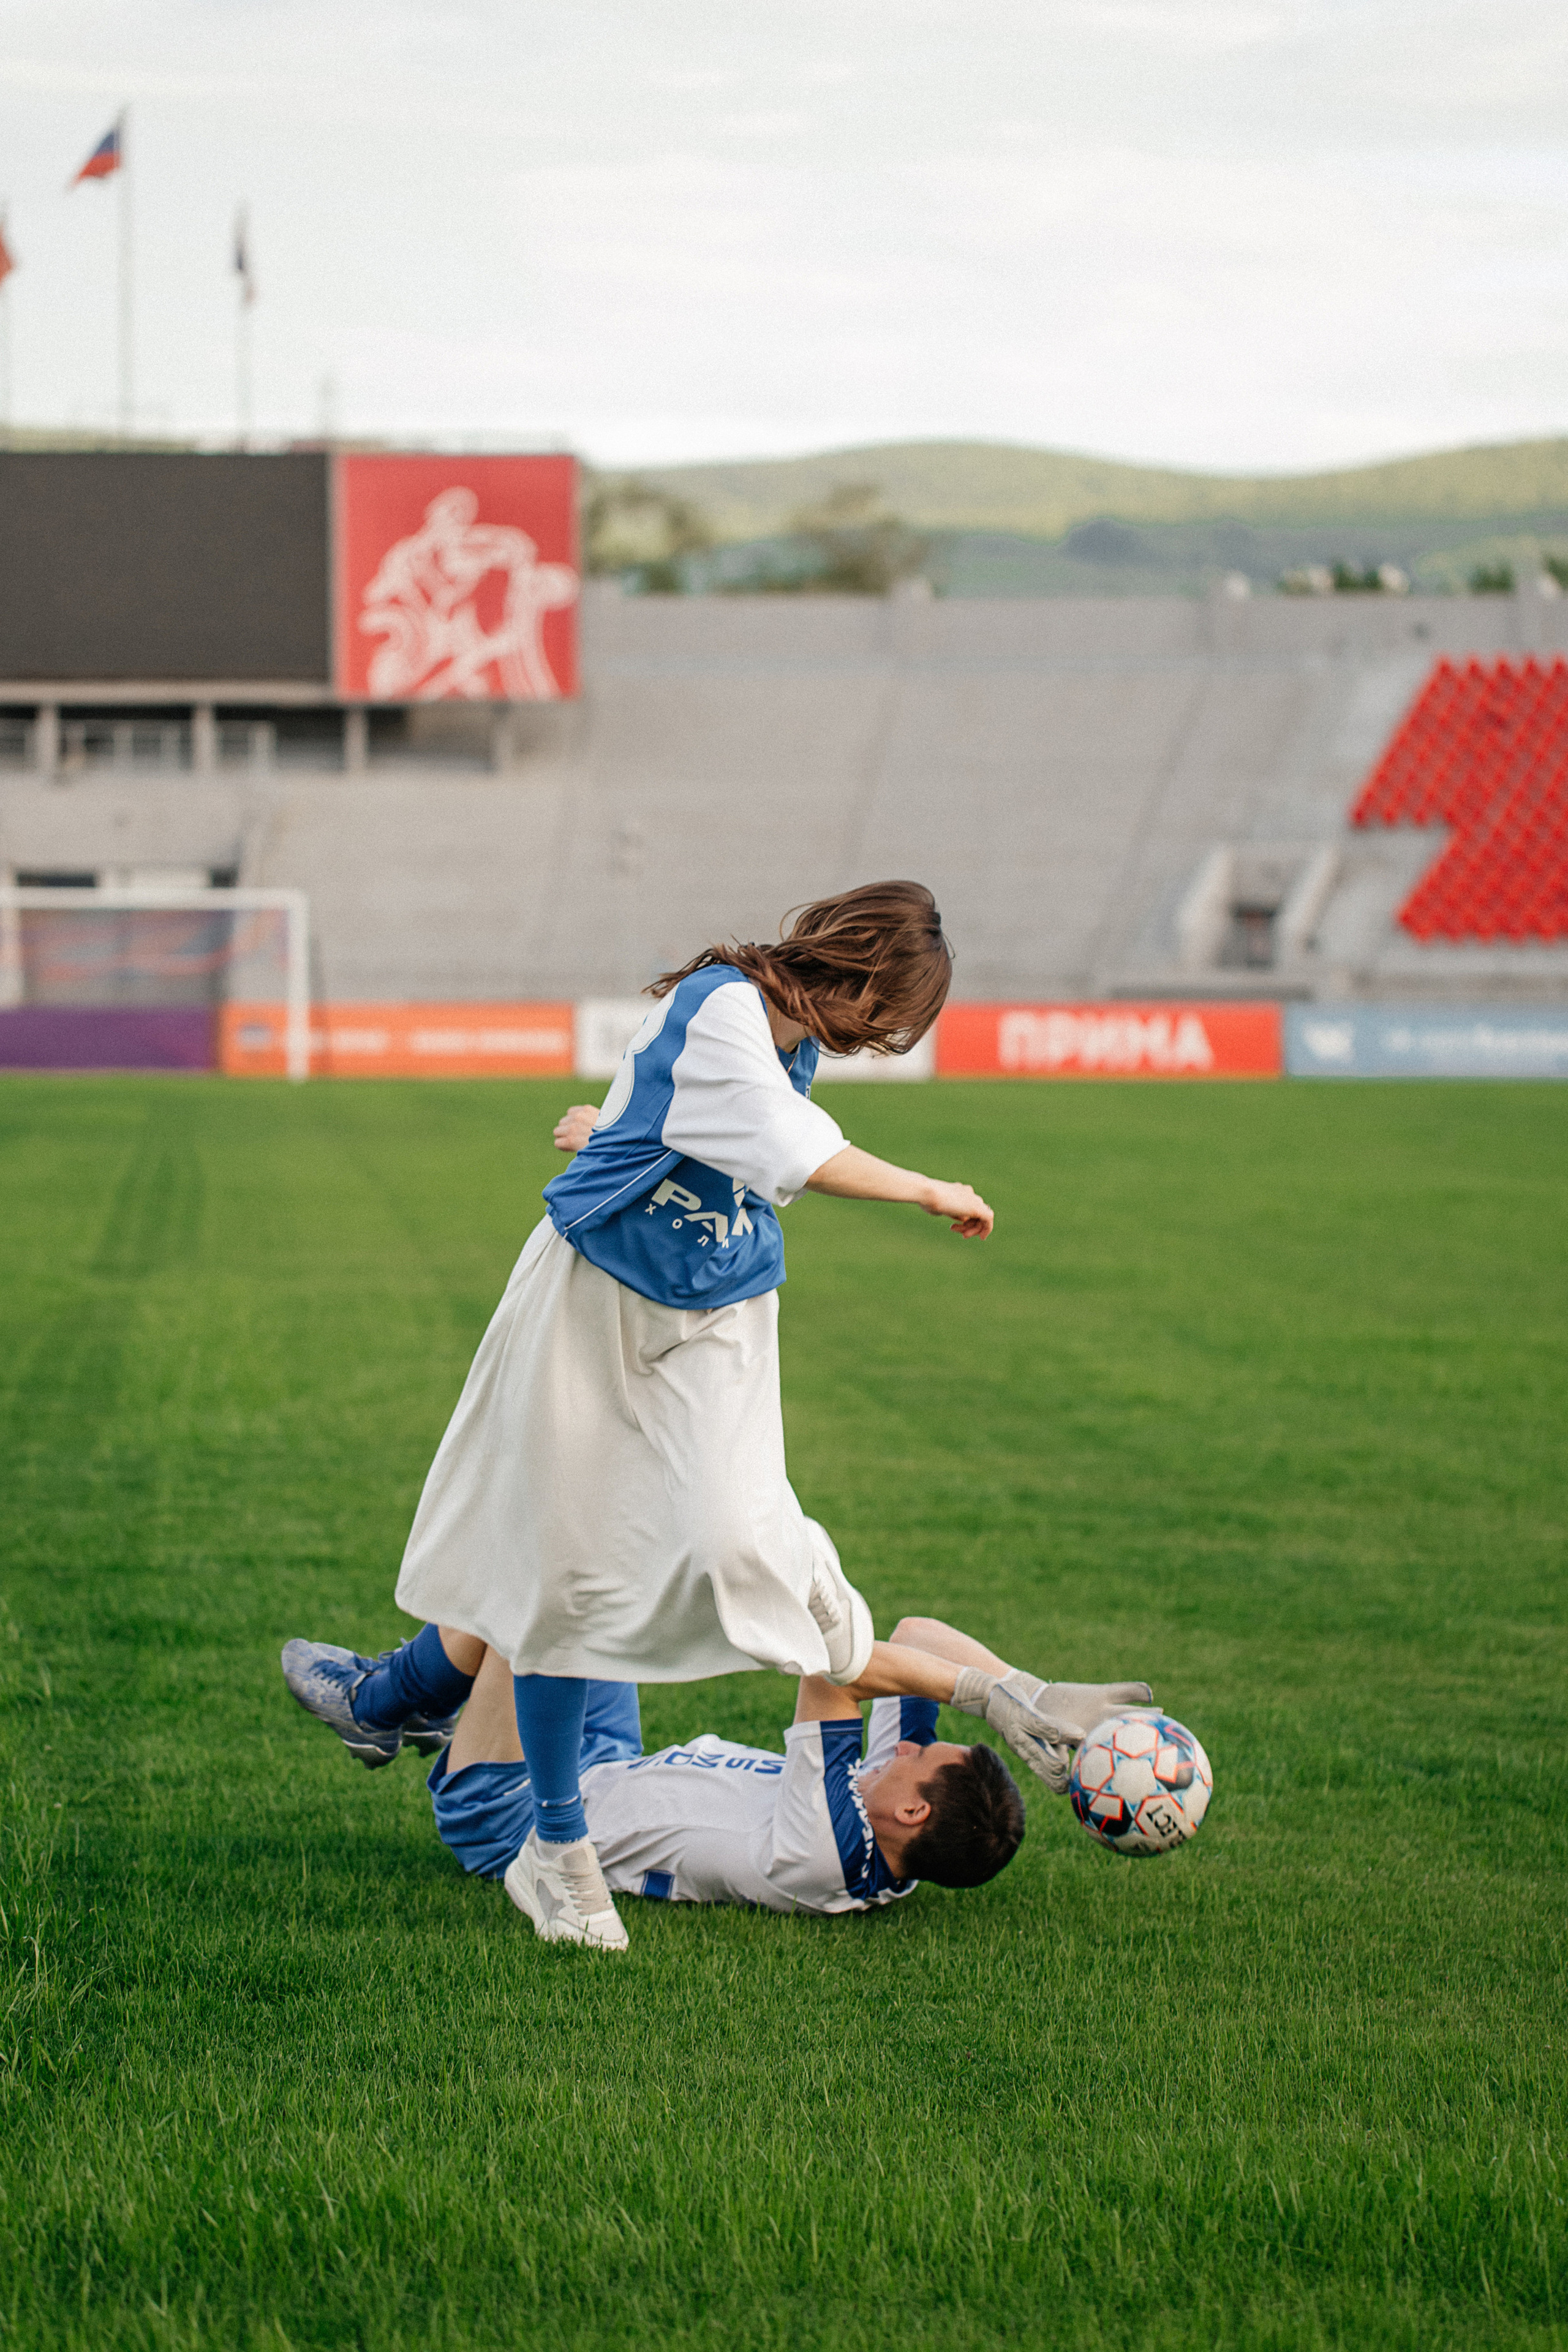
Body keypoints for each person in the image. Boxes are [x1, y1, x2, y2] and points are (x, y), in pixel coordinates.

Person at [285, 882, 996, 1949]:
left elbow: (713, 1138)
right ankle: (534, 1830)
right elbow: (783, 1146)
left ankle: (401, 1697)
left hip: (697, 1330)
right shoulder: (724, 1007)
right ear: (859, 975)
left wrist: (610, 1133)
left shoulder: (779, 1041)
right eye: (889, 1017)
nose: (881, 1042)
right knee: (572, 1572)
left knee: (613, 1564)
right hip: (602, 1319)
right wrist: (928, 1188)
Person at [282, 1613, 1155, 1945]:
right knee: (604, 1595)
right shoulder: (894, 1833)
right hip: (612, 1758)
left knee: (531, 1600)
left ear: (914, 1807)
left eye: (916, 1758)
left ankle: (384, 1704)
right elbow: (915, 1629)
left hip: (520, 1814)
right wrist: (1034, 1700)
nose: (902, 1750)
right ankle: (447, 1711)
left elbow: (833, 1672)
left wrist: (978, 1694)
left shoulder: (831, 1850)